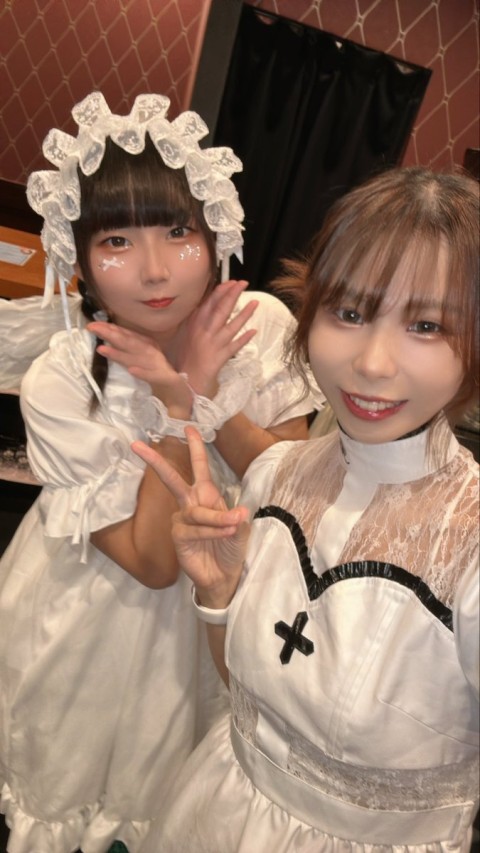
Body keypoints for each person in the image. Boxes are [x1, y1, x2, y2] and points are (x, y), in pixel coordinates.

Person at [0, 92, 320, 853]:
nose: (153, 271)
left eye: (178, 232)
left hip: (227, 611)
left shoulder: (259, 326)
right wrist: (185, 402)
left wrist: (195, 386)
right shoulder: (61, 378)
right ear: (80, 258)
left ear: (215, 234)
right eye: (116, 240)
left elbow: (288, 489)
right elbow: (149, 563)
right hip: (98, 624)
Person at [135, 166, 480, 852]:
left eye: (425, 325)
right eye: (349, 313)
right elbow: (251, 700)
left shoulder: (468, 548)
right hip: (217, 811)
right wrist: (218, 595)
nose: (372, 363)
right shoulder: (275, 475)